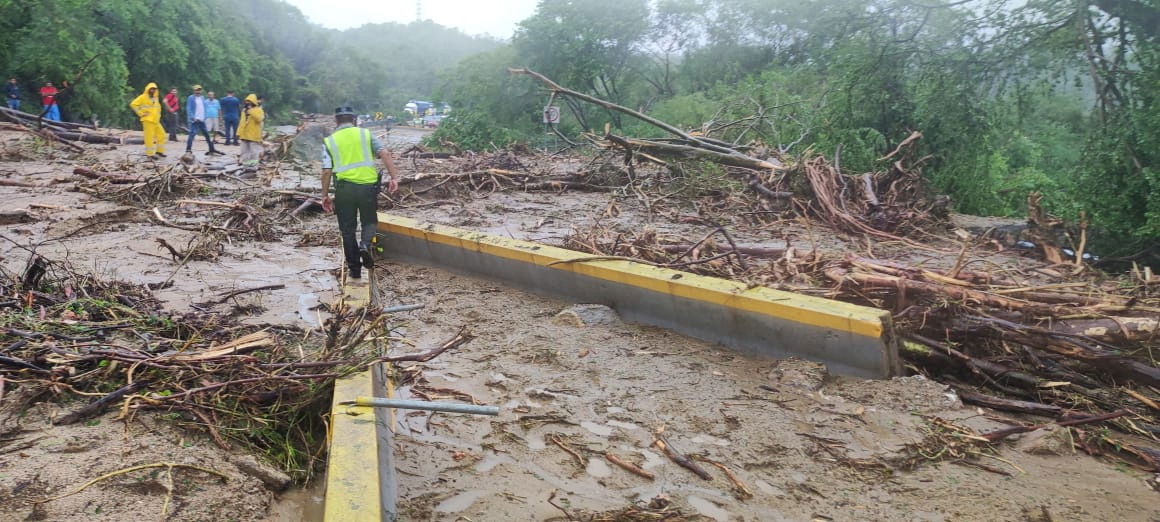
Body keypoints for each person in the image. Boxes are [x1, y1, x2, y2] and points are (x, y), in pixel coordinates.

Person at [319, 106, 400, 280]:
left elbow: (326, 171)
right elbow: (384, 153)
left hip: (344, 190)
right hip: (368, 188)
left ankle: (355, 270)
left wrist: (324, 195)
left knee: (347, 230)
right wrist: (394, 178)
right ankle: (365, 244)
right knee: (369, 220)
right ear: (354, 119)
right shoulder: (365, 134)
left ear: (336, 121)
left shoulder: (329, 141)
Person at [129, 82, 166, 159]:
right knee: (149, 137)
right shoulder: (143, 97)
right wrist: (140, 113)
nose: (153, 90)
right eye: (151, 89)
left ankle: (159, 151)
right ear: (148, 89)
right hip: (147, 120)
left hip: (155, 120)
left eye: (154, 89)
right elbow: (133, 104)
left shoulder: (156, 98)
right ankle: (150, 154)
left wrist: (158, 116)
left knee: (162, 135)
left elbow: (158, 108)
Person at [184, 85, 223, 155]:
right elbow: (189, 108)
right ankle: (188, 150)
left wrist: (204, 117)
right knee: (192, 135)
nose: (198, 91)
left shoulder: (202, 98)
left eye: (199, 90)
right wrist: (193, 117)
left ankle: (211, 149)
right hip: (195, 120)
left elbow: (203, 108)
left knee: (207, 135)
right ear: (194, 91)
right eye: (196, 90)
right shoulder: (191, 98)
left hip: (202, 120)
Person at [237, 94, 264, 168]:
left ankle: (253, 167)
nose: (247, 103)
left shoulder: (258, 110)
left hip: (253, 135)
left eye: (249, 101)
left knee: (254, 153)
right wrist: (239, 132)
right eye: (246, 101)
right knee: (244, 152)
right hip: (244, 135)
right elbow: (242, 122)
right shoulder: (244, 111)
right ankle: (246, 166)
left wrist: (251, 111)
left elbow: (259, 119)